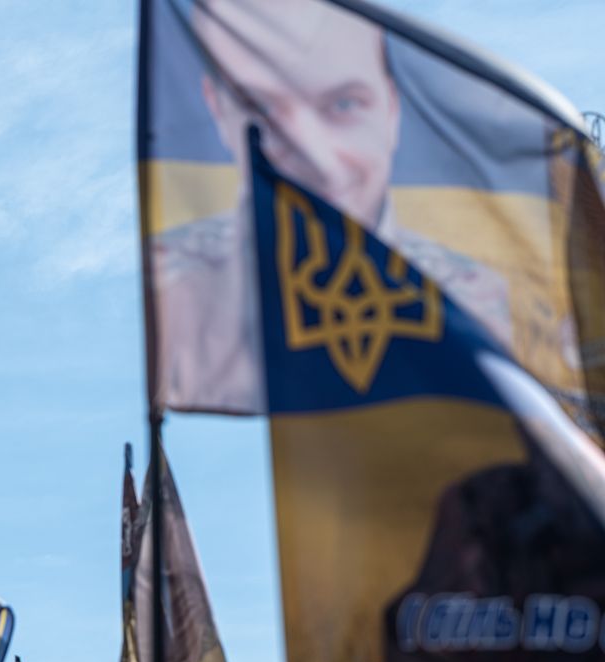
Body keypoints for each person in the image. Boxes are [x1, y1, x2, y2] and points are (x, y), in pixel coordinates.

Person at [153, 0, 511, 412]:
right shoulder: (173, 291)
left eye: (343, 105)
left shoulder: (481, 304)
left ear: (392, 107)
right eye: (263, 111)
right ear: (215, 106)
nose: (314, 154)